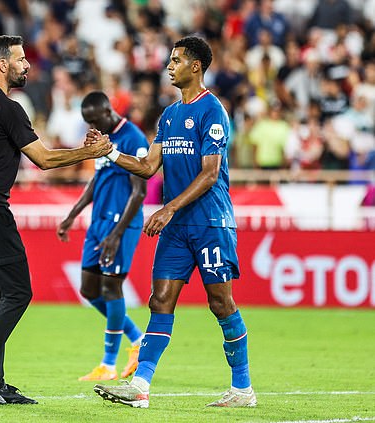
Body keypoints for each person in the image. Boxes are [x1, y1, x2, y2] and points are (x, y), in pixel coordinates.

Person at [0, 35, 112, 406]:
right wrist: (89, 151)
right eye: (20, 59)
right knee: (18, 292)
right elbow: (45, 160)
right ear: (2, 65)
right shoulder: (9, 109)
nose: (27, 65)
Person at [92, 36, 256, 409]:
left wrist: (167, 208)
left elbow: (210, 174)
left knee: (220, 302)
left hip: (211, 222)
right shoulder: (168, 115)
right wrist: (112, 152)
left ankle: (242, 388)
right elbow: (149, 166)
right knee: (160, 299)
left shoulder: (212, 110)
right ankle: (140, 386)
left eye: (176, 60)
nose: (169, 66)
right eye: (170, 60)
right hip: (178, 227)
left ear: (195, 66)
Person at [56, 91, 149, 382]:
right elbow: (98, 179)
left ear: (109, 111)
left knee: (111, 289)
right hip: (98, 224)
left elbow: (140, 191)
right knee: (88, 290)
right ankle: (137, 339)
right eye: (88, 123)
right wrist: (73, 214)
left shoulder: (134, 138)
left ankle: (108, 364)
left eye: (95, 121)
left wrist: (117, 234)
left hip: (122, 225)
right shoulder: (101, 140)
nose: (92, 128)